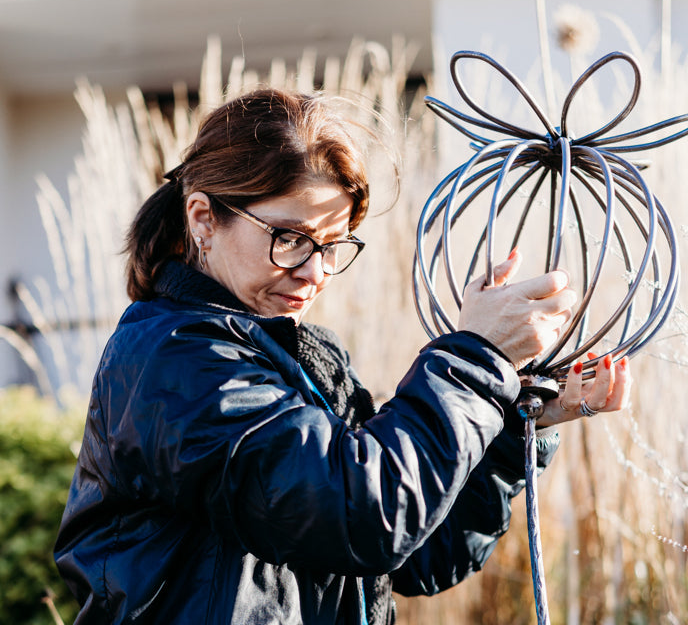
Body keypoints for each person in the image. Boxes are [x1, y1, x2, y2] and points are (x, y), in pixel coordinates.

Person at [54, 88, 630, 625]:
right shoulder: (172, 360)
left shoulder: (305, 356)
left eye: (333, 247)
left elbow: (413, 556)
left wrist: (513, 426)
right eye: (291, 238)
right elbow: (364, 515)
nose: (315, 273)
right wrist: (476, 359)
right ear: (204, 218)